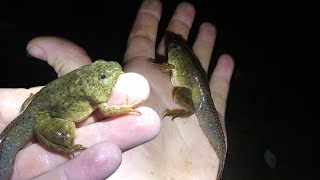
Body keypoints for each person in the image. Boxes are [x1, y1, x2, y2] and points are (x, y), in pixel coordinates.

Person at [0, 0, 234, 179]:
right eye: (103, 74)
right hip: (43, 116)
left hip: (39, 108)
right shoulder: (95, 97)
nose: (113, 70)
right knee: (64, 134)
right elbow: (109, 108)